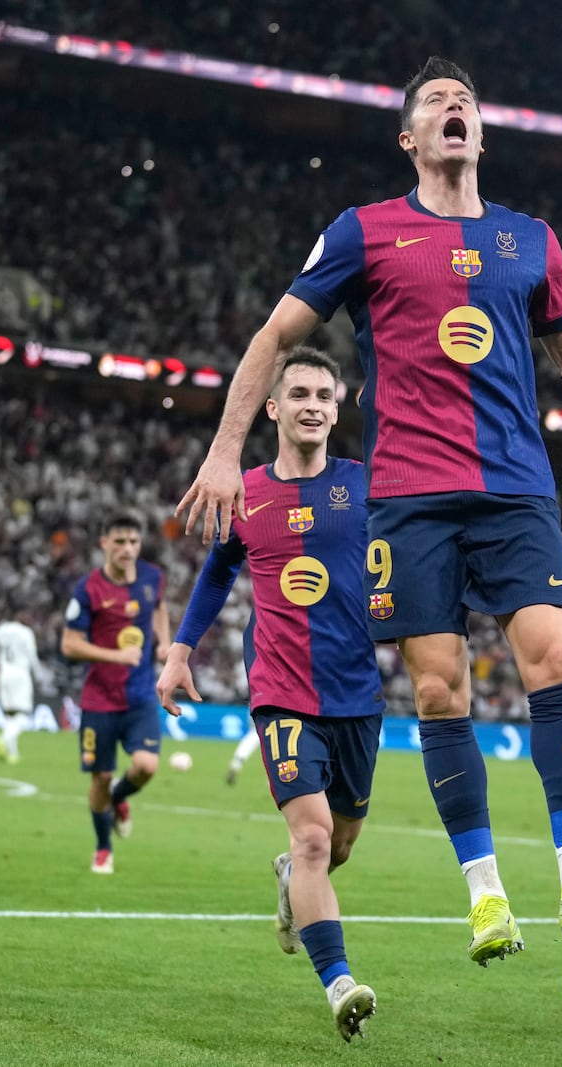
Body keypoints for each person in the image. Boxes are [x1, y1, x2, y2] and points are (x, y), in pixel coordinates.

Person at [177, 56, 562, 965]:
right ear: (410, 137)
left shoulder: (530, 240)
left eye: (467, 101)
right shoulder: (364, 232)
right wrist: (226, 450)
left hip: (515, 488)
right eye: (436, 103)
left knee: (551, 659)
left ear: (482, 132)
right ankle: (484, 893)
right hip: (410, 496)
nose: (454, 110)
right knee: (441, 686)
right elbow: (276, 336)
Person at [159, 349, 381, 1041]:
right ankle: (339, 981)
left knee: (337, 844)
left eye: (325, 393)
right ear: (275, 408)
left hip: (359, 696)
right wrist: (179, 649)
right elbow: (219, 568)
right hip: (282, 693)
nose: (313, 403)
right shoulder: (246, 492)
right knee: (314, 837)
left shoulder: (367, 486)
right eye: (300, 393)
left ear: (337, 408)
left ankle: (292, 878)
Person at [60, 513, 168, 875]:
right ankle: (103, 847)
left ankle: (119, 801)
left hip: (140, 697)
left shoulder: (153, 577)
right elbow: (70, 645)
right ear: (104, 543)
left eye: (133, 542)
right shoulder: (88, 588)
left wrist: (165, 643)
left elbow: (161, 607)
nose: (127, 549)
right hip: (99, 700)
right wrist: (116, 656)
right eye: (119, 541)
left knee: (146, 766)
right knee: (100, 778)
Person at [0, 611, 43, 764]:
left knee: (10, 715)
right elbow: (32, 655)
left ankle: (13, 754)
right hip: (20, 673)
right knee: (22, 716)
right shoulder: (27, 633)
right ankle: (3, 738)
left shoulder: (4, 629)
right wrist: (39, 674)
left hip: (4, 673)